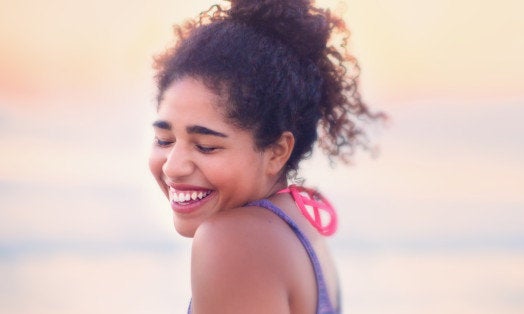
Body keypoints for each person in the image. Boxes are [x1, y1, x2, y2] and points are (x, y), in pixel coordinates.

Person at [148, 0, 385, 313]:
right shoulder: (295, 222)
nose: (174, 166)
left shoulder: (231, 240)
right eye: (164, 140)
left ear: (277, 151)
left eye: (206, 146)